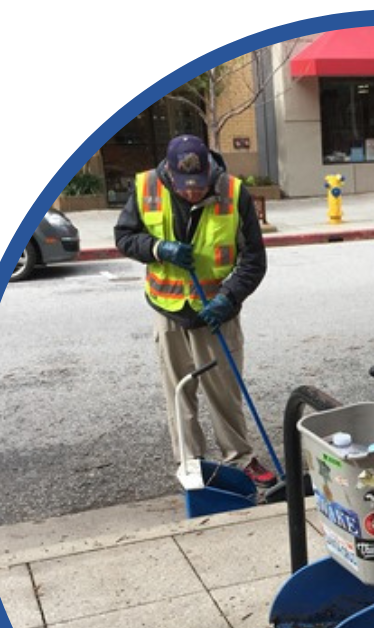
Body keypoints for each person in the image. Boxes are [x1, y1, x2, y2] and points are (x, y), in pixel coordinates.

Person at [114, 134, 276, 486]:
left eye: (199, 185)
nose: (192, 193)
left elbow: (254, 259)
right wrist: (158, 248)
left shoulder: (233, 192)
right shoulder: (146, 187)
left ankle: (241, 457)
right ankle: (190, 463)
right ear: (170, 175)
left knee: (225, 391)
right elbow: (124, 237)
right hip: (168, 310)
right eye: (185, 186)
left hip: (217, 312)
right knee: (178, 393)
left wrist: (229, 297)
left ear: (209, 171)